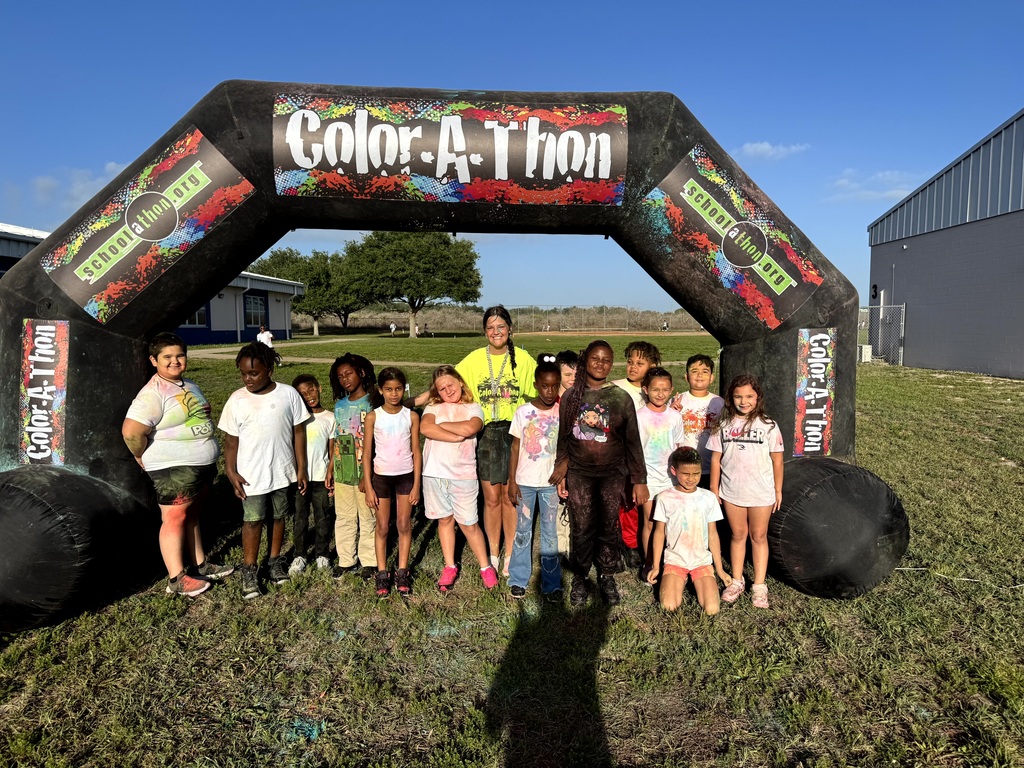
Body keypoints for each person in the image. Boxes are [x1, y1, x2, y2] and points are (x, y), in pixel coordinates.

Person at [122, 332, 233, 597]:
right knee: (174, 517)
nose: (175, 361)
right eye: (167, 357)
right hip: (174, 465)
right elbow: (131, 432)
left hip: (199, 463)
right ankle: (177, 577)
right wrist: (140, 454)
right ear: (153, 360)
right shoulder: (152, 393)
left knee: (191, 515)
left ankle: (200, 563)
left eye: (180, 355)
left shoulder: (189, 384)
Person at [551, 340, 648, 607]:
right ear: (585, 361)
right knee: (581, 526)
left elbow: (632, 442)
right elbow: (564, 438)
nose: (601, 364)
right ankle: (581, 575)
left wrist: (639, 480)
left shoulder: (620, 397)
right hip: (580, 473)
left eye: (606, 360)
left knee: (607, 526)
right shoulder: (572, 397)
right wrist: (562, 469)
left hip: (611, 473)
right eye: (595, 358)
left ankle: (606, 574)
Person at [219, 342, 309, 599]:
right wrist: (230, 471)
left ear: (269, 369)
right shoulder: (237, 400)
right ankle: (250, 569)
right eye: (244, 373)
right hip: (251, 474)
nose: (248, 379)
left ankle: (274, 561)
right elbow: (230, 440)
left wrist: (300, 467)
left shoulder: (288, 394)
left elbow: (298, 432)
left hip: (282, 470)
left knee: (279, 516)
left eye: (254, 373)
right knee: (253, 520)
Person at [455, 306, 537, 577]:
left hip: (515, 434)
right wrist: (411, 403)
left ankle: (511, 553)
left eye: (500, 327)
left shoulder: (523, 359)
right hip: (487, 436)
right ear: (484, 332)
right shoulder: (475, 359)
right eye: (490, 328)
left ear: (510, 329)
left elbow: (544, 389)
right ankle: (492, 551)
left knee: (509, 497)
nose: (496, 332)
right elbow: (448, 384)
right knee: (491, 498)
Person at [708, 374, 785, 609]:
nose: (744, 401)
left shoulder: (769, 426)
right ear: (731, 398)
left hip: (761, 492)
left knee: (758, 536)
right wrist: (714, 488)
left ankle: (759, 585)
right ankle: (737, 580)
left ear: (758, 397)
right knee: (738, 535)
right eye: (738, 396)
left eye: (749, 396)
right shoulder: (723, 425)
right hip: (732, 491)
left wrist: (778, 490)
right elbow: (715, 459)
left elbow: (777, 461)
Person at [420, 365, 498, 593]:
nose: (447, 391)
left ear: (460, 382)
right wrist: (455, 437)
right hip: (434, 473)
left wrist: (442, 427)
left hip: (462, 475)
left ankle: (486, 567)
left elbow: (472, 426)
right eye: (442, 389)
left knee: (468, 523)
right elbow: (426, 428)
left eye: (450, 385)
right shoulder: (433, 407)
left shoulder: (473, 407)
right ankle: (450, 565)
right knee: (444, 520)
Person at [646, 447, 731, 614]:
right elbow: (658, 533)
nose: (691, 479)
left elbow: (713, 534)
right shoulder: (663, 498)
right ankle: (676, 580)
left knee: (712, 609)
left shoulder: (708, 498)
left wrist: (719, 569)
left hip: (701, 561)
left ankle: (699, 579)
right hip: (675, 560)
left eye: (696, 474)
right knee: (669, 606)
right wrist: (656, 566)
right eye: (685, 474)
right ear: (674, 471)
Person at [506, 355, 563, 601]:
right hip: (525, 483)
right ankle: (518, 578)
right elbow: (515, 448)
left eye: (554, 386)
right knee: (523, 530)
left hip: (550, 484)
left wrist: (564, 469)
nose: (550, 391)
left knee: (550, 534)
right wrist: (512, 481)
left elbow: (568, 445)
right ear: (536, 385)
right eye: (545, 386)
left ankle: (551, 584)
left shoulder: (563, 411)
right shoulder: (523, 412)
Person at [362, 367, 421, 599]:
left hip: (406, 476)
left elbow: (417, 451)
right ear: (381, 390)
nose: (394, 394)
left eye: (398, 389)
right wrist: (368, 485)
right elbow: (367, 454)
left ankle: (403, 572)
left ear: (403, 389)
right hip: (381, 477)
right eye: (389, 389)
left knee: (404, 524)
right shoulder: (373, 416)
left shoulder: (411, 416)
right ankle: (382, 572)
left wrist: (417, 484)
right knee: (383, 527)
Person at [329, 353, 381, 580]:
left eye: (348, 373)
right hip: (343, 471)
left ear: (361, 372)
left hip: (365, 472)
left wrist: (367, 476)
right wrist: (331, 468)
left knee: (368, 516)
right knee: (344, 516)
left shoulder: (374, 402)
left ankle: (369, 561)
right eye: (340, 376)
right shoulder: (339, 406)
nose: (345, 379)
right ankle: (346, 560)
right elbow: (338, 439)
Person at [613, 340, 662, 568]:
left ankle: (640, 544)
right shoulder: (615, 388)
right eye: (630, 362)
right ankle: (627, 545)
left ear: (652, 365)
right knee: (624, 504)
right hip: (620, 456)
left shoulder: (656, 390)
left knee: (640, 503)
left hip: (648, 459)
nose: (633, 367)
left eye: (640, 363)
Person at [636, 367, 686, 578]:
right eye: (655, 389)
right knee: (650, 521)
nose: (660, 394)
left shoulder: (675, 416)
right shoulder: (638, 416)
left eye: (665, 389)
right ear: (645, 389)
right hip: (647, 478)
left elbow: (678, 446)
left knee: (671, 521)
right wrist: (638, 480)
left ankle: (671, 562)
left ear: (672, 389)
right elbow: (634, 448)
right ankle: (649, 562)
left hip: (670, 479)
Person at [288, 374, 336, 575]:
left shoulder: (330, 417)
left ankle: (322, 554)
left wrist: (330, 471)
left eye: (311, 390)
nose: (309, 395)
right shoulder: (295, 420)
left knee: (322, 516)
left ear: (319, 388)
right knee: (300, 517)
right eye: (302, 394)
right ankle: (299, 555)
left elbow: (333, 449)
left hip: (320, 477)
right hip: (300, 478)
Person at [670, 354, 725, 489]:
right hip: (684, 468)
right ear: (686, 377)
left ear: (712, 378)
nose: (699, 375)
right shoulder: (677, 400)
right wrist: (671, 412)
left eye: (705, 371)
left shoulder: (719, 402)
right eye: (694, 371)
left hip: (711, 468)